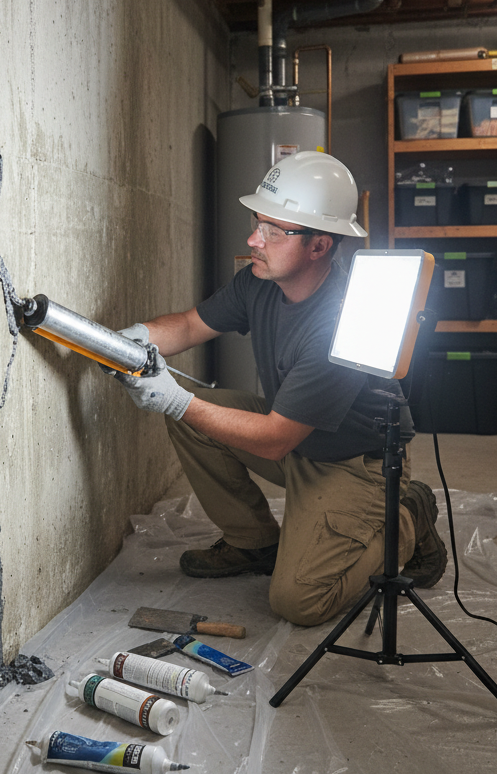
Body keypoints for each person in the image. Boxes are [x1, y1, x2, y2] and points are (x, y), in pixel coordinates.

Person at [108, 151, 447, 627]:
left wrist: (176, 398)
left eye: (273, 230)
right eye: (257, 223)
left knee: (299, 602)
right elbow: (188, 325)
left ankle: (410, 515)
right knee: (193, 419)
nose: (253, 240)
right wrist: (131, 338)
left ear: (319, 245)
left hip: (352, 462)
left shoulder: (339, 324)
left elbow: (274, 439)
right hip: (296, 436)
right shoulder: (259, 282)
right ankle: (255, 544)